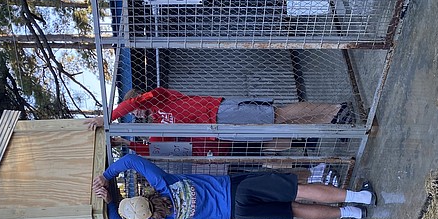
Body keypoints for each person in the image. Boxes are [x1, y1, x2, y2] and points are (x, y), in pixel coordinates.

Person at [93, 154, 375, 219]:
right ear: (145, 193)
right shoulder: (165, 184)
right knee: (298, 189)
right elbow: (131, 160)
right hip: (236, 188)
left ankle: (352, 214)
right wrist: (107, 177)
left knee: (295, 210)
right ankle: (358, 196)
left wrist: (110, 204)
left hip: (236, 214)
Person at [84, 87, 353, 132]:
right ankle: (331, 119)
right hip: (219, 128)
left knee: (276, 114)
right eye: (134, 116)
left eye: (136, 109)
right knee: (277, 124)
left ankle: (336, 108)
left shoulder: (156, 97)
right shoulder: (156, 119)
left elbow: (132, 104)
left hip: (218, 111)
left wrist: (104, 118)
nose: (137, 114)